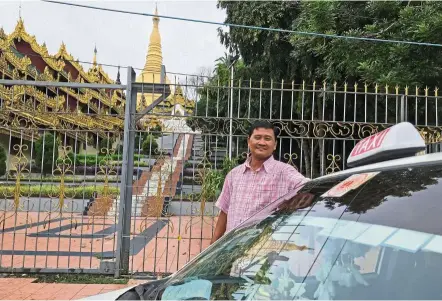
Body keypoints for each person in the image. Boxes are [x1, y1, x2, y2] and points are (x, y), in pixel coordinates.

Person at [211, 120, 310, 244]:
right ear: (248, 141)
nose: (262, 142)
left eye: (267, 138)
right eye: (257, 137)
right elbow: (224, 212)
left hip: (262, 252)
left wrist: (290, 206)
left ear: (275, 145)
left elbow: (310, 188)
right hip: (232, 250)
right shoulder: (233, 175)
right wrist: (212, 245)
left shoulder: (284, 172)